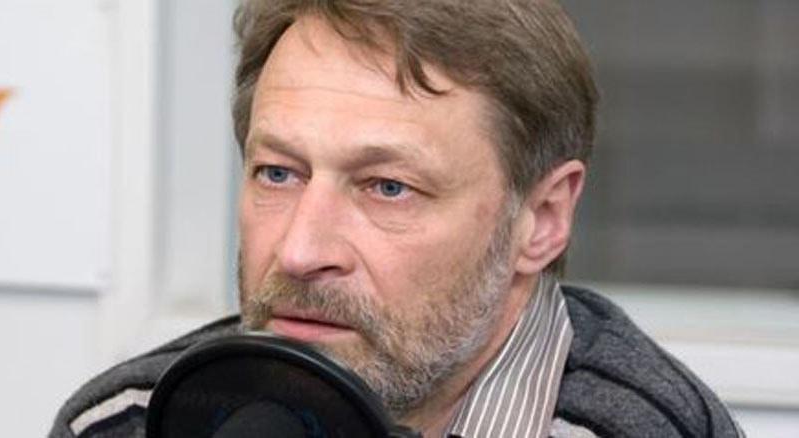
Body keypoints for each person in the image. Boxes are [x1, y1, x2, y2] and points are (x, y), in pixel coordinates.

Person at [50, 1, 745, 437]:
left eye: (388, 187)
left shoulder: (646, 428)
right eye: (278, 173)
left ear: (540, 219)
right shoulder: (129, 421)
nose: (299, 251)